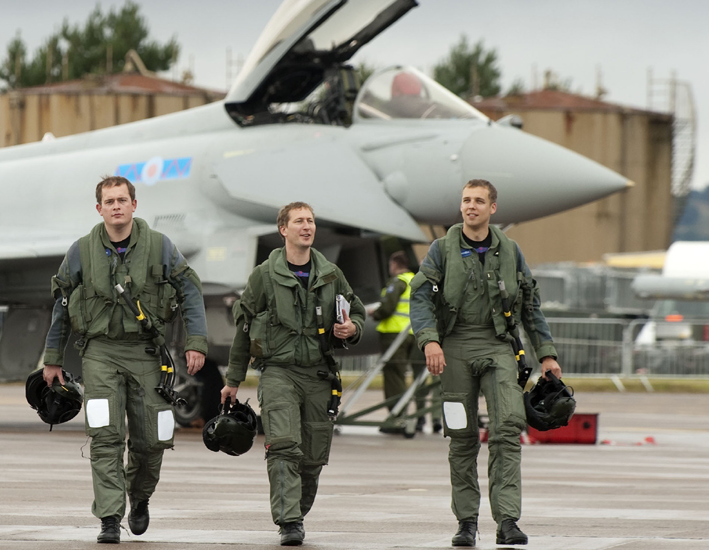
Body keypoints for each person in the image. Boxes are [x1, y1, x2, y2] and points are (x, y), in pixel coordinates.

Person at [42, 175, 208, 544]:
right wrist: (52, 358)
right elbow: (62, 303)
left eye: (122, 200)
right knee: (105, 436)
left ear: (134, 205)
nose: (116, 206)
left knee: (153, 439)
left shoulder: (161, 247)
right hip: (100, 353)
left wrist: (196, 341)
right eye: (109, 201)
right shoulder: (81, 251)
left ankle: (141, 495)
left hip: (147, 354)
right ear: (99, 209)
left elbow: (190, 290)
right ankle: (109, 517)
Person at [410, 179, 561, 547]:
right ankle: (466, 522)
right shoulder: (441, 250)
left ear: (493, 208)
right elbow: (421, 299)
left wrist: (547, 354)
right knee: (461, 439)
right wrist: (430, 341)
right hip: (455, 347)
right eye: (465, 200)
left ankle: (507, 520)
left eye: (479, 200)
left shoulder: (510, 251)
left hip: (498, 347)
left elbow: (530, 306)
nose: (471, 206)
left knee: (507, 430)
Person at [220, 202, 365, 547]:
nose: (307, 226)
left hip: (318, 374)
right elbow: (243, 330)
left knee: (313, 456)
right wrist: (233, 380)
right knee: (285, 446)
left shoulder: (331, 274)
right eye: (299, 221)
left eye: (311, 221)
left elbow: (356, 311)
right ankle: (288, 521)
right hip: (278, 372)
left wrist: (352, 328)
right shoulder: (263, 277)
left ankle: (296, 510)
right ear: (283, 229)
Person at [370, 251, 417, 433]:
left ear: (395, 265)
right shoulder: (414, 281)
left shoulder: (398, 282)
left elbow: (388, 307)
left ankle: (396, 417)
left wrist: (375, 313)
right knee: (401, 374)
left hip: (394, 333)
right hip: (410, 333)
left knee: (393, 376)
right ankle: (401, 414)